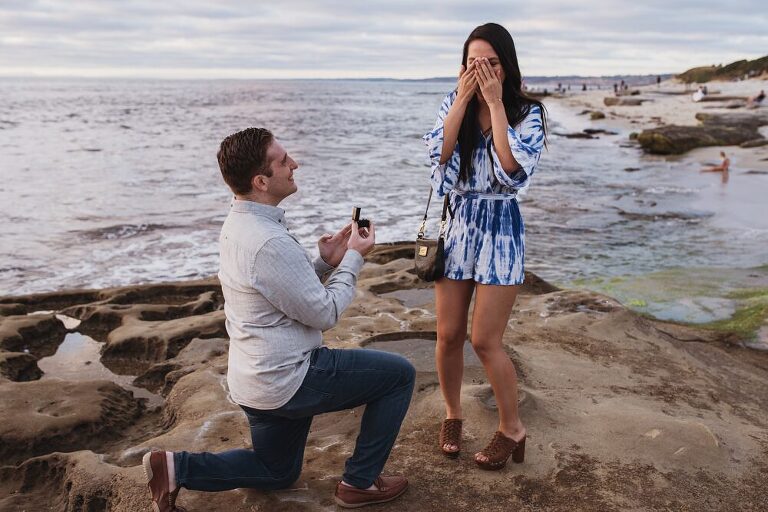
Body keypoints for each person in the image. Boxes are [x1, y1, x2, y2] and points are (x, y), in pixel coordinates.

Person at [142, 128, 415, 511]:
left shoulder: (240, 224)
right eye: (284, 161)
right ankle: (360, 483)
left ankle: (175, 467)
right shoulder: (268, 240)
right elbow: (324, 313)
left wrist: (325, 262)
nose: (294, 165)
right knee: (398, 375)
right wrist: (354, 257)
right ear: (261, 181)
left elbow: (278, 291)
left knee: (277, 472)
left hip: (256, 382)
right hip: (291, 377)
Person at [423, 23, 546, 471]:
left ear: (507, 66)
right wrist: (461, 99)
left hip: (501, 228)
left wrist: (494, 103)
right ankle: (453, 414)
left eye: (491, 63)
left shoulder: (527, 112)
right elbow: (438, 158)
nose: (483, 71)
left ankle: (512, 427)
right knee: (448, 334)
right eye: (475, 64)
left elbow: (513, 170)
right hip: (458, 228)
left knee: (484, 340)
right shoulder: (452, 103)